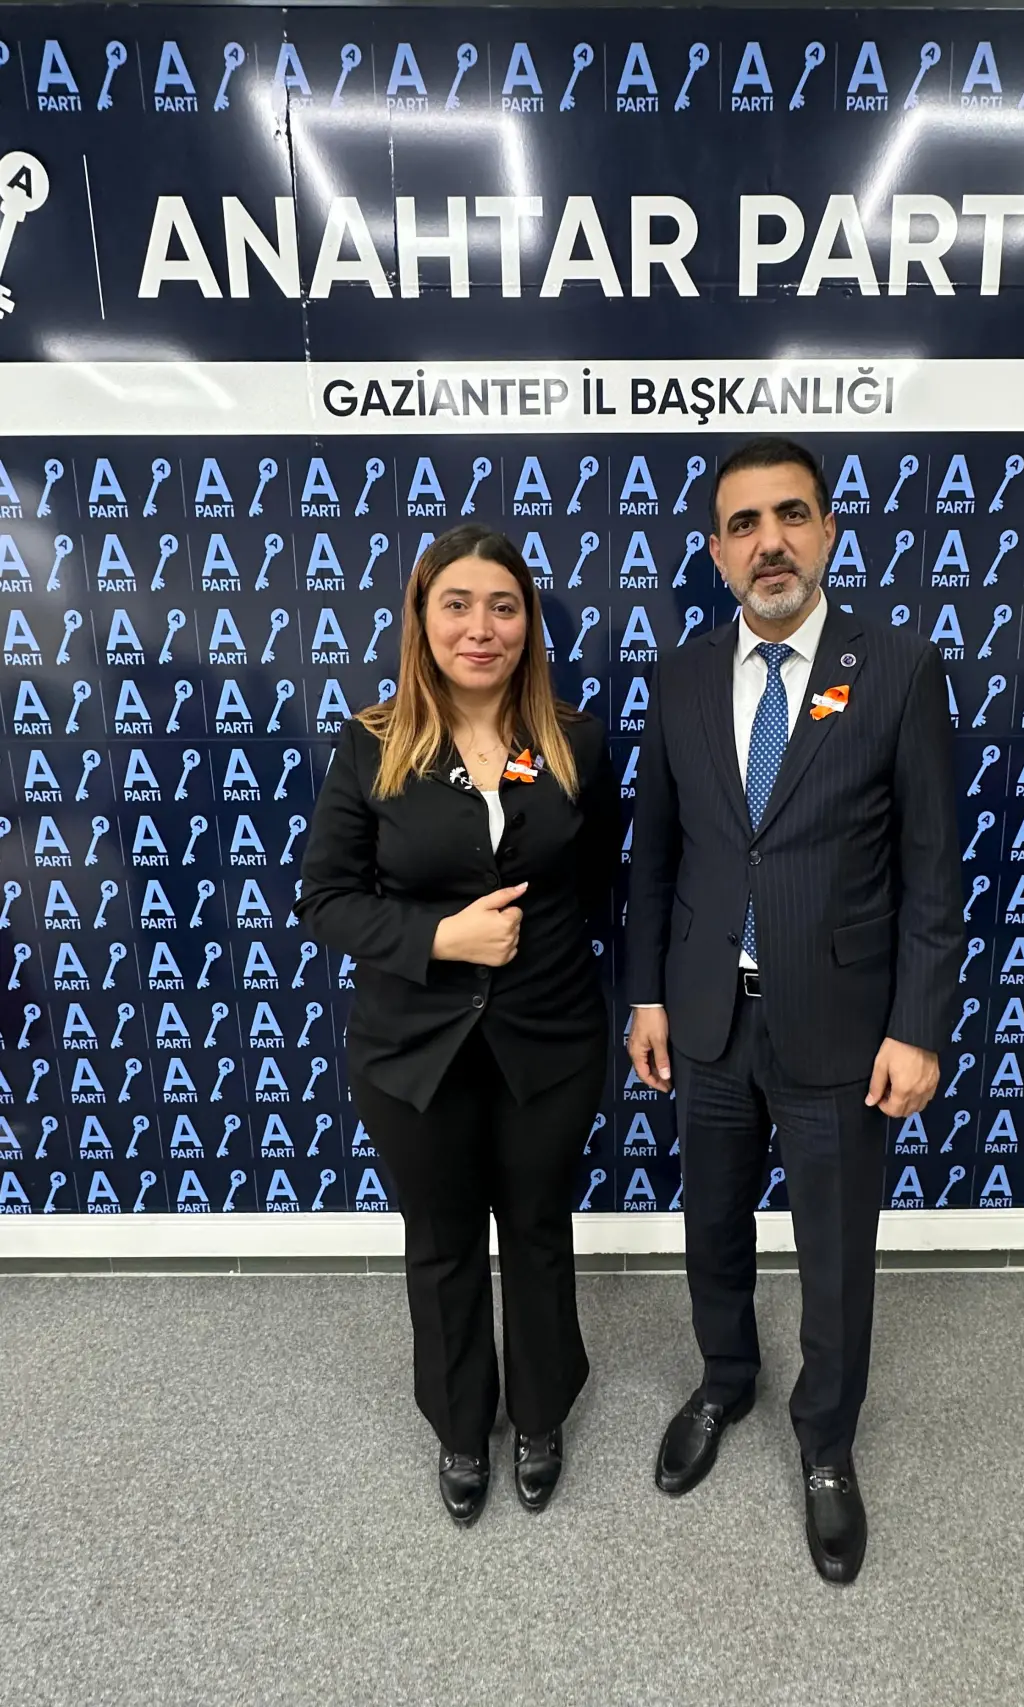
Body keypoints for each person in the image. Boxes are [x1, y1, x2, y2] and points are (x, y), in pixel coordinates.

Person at [626, 437, 964, 1584]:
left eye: (788, 516)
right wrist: (645, 995)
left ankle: (824, 1441)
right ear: (715, 551)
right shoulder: (679, 677)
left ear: (826, 530)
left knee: (833, 1251)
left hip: (843, 1028)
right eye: (742, 524)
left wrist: (916, 1025)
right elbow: (655, 860)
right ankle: (724, 1382)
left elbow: (930, 870)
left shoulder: (897, 668)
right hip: (707, 1020)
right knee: (711, 1227)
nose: (767, 542)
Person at [296, 524, 621, 1527]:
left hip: (548, 1040)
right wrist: (441, 937)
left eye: (503, 607)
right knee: (440, 1241)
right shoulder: (372, 742)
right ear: (422, 619)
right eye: (457, 605)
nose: (480, 628)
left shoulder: (574, 740)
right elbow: (325, 898)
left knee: (537, 1228)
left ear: (528, 624)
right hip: (412, 1051)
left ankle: (540, 1414)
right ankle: (459, 1427)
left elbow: (597, 883)